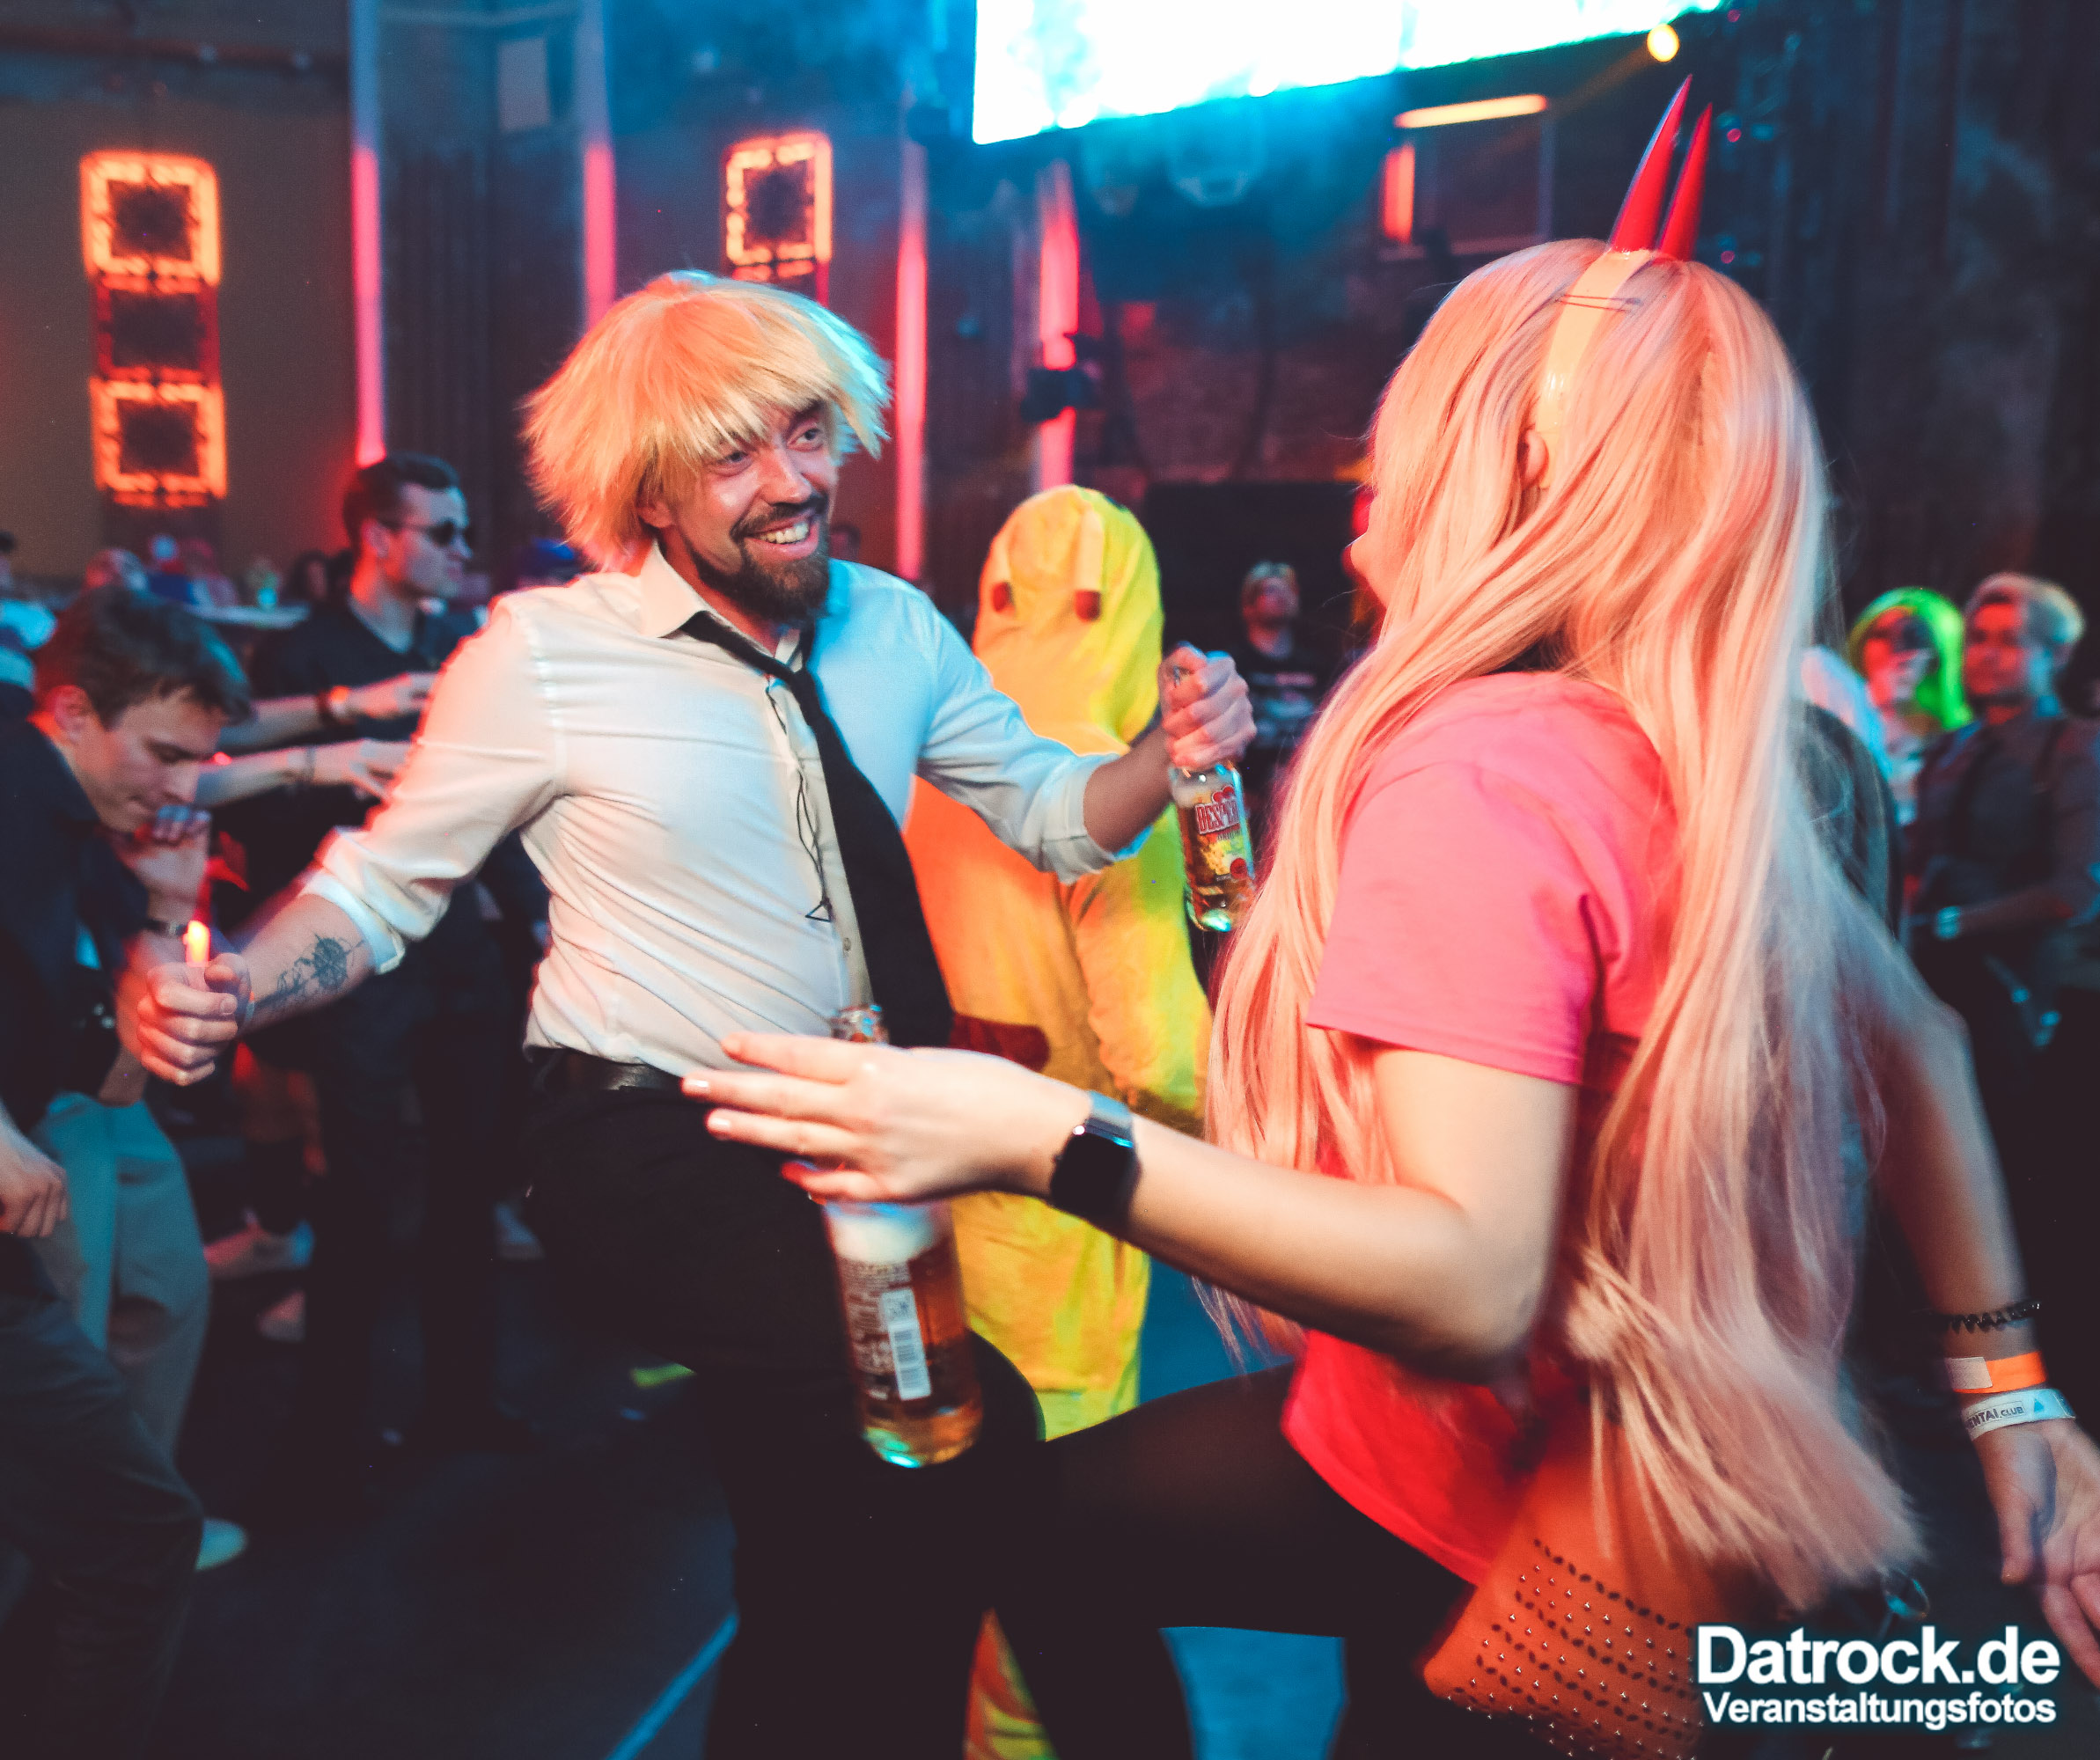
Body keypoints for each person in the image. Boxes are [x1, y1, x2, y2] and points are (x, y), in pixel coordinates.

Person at [676, 216, 2100, 1749]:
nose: (1375, 457)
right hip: (1477, 1456)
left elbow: (1467, 1285)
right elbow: (1922, 1044)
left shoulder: (1480, 766)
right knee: (1032, 1528)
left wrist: (1028, 1132)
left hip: (1500, 1521)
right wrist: (2012, 1393)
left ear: (1518, 466)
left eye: (1413, 408)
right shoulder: (1679, 740)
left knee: (1096, 1570)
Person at [125, 268, 1254, 1758]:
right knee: (962, 1426)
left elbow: (1053, 812)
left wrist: (1166, 759)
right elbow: (384, 888)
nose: (791, 482)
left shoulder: (894, 629)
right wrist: (234, 987)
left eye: (807, 432)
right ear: (648, 492)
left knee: (813, 1536)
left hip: (854, 1136)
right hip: (649, 1142)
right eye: (733, 454)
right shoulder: (544, 655)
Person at [904, 486, 1212, 1759]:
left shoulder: (931, 748)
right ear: (1125, 601)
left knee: (954, 1519)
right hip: (1058, 1201)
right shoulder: (1105, 771)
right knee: (1057, 1539)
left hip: (923, 1190)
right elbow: (1159, 1054)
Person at [211, 453, 522, 1510]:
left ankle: (462, 1401)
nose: (459, 551)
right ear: (378, 535)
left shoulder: (459, 644)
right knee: (358, 1195)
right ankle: (328, 1436)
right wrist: (347, 733)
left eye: (462, 530)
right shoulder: (305, 653)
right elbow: (239, 786)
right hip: (359, 961)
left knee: (466, 1188)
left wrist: (526, 913)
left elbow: (495, 797)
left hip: (460, 955)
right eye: (441, 531)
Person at [1, 587, 246, 1755]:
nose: (181, 785)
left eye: (196, 760)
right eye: (163, 753)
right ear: (69, 714)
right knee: (138, 1534)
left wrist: (163, 914)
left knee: (136, 1529)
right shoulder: (14, 790)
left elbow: (109, 1079)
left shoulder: (75, 829)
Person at [1908, 572, 2100, 1418]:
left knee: (2004, 1190)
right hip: (1935, 989)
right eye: (1979, 638)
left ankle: (2006, 1388)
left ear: (2054, 654)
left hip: (2018, 1002)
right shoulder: (1953, 748)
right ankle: (1938, 1367)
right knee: (1931, 1175)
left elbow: (2077, 890)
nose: (1987, 654)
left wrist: (1959, 923)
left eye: (2010, 640)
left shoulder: (2072, 748)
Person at [1227, 560, 1333, 840]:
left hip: (1305, 794)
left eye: (1288, 589)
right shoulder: (1233, 665)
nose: (1282, 596)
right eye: (1270, 590)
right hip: (1248, 804)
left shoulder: (1317, 665)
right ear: (1248, 605)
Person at [1847, 587, 1970, 821]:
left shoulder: (1955, 740)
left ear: (1937, 654)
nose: (1896, 652)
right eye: (1882, 635)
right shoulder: (1841, 713)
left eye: (1914, 637)